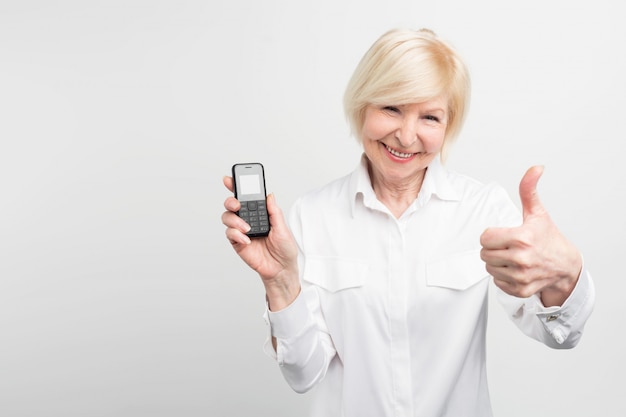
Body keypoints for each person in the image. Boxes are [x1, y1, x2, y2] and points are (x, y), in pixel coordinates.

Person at [221, 28, 594, 417]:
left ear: (448, 127)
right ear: (362, 106)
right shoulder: (311, 216)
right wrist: (279, 280)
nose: (406, 135)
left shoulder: (481, 208)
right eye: (391, 108)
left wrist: (564, 275)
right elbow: (303, 374)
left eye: (430, 117)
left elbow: (558, 333)